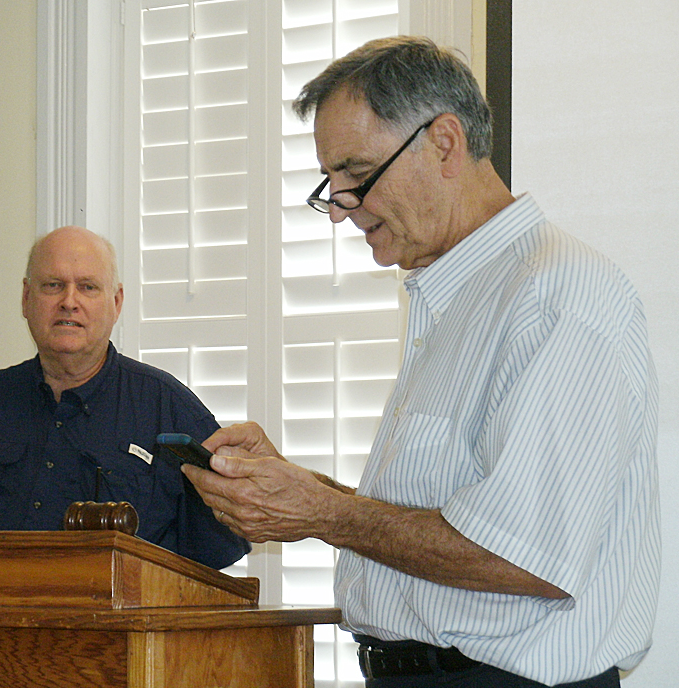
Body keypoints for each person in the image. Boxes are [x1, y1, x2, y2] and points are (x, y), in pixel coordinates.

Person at [181, 37, 660, 687]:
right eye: (333, 185)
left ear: (443, 143)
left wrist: (322, 513)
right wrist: (300, 491)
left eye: (357, 173)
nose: (341, 209)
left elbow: (527, 559)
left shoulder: (557, 296)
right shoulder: (458, 298)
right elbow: (445, 521)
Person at [0, 226, 249, 570]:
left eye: (88, 287)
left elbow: (217, 558)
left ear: (117, 302)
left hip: (126, 622)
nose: (69, 301)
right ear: (25, 298)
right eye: (53, 285)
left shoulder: (170, 410)